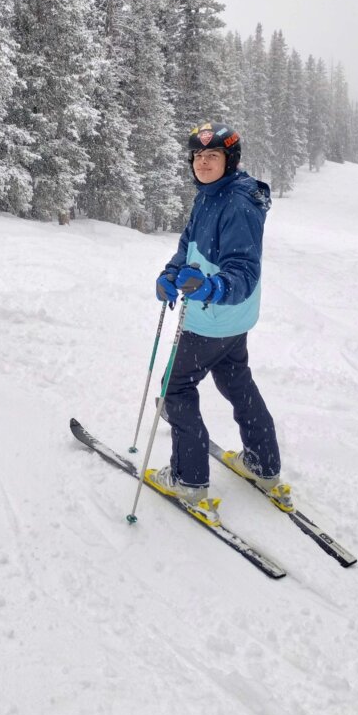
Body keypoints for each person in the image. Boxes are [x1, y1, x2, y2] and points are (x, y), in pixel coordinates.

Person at [148, 121, 286, 510]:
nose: (204, 163)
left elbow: (243, 269)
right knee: (236, 382)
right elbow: (188, 244)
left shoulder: (237, 203)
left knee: (175, 388)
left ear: (231, 160)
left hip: (211, 318)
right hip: (231, 320)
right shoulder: (208, 195)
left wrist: (210, 288)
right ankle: (262, 463)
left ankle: (188, 478)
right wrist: (171, 274)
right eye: (198, 156)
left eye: (213, 156)